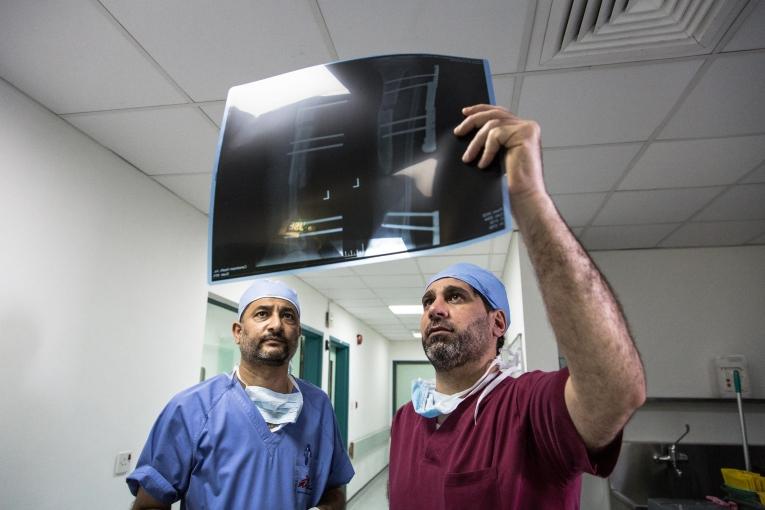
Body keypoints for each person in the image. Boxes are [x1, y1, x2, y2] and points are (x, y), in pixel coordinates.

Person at [388, 105, 647, 509]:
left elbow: (615, 393)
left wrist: (528, 199)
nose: (435, 309)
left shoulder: (527, 407)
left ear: (497, 322)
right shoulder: (406, 419)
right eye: (428, 301)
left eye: (455, 296)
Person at [127, 279, 354, 510]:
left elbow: (334, 491)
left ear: (297, 333)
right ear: (238, 332)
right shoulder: (192, 408)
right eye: (262, 314)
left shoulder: (319, 406)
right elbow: (148, 504)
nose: (276, 324)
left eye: (288, 316)